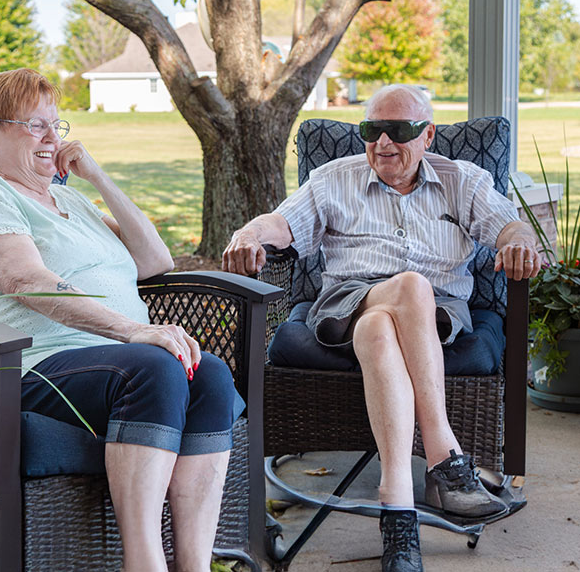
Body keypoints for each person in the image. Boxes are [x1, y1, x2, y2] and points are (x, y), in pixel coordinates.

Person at [223, 84, 541, 572]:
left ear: (428, 135)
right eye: (372, 130)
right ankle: (445, 455)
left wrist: (519, 243)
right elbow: (280, 224)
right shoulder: (333, 178)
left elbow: (510, 225)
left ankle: (397, 509)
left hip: (437, 313)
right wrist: (249, 233)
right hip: (344, 301)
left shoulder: (465, 181)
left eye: (400, 130)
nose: (383, 143)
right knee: (409, 286)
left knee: (380, 328)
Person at [0, 68, 243, 572]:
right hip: (23, 366)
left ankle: (194, 563)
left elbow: (155, 261)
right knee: (155, 366)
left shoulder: (70, 201)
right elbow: (24, 280)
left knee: (207, 372)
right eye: (34, 125)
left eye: (57, 125)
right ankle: (143, 563)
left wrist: (96, 177)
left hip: (99, 365)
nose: (51, 138)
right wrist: (134, 331)